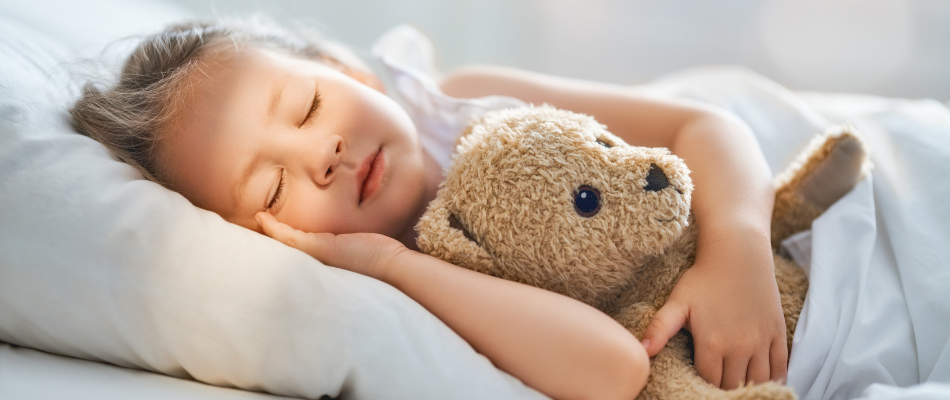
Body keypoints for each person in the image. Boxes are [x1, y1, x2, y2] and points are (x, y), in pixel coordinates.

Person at [71, 19, 786, 400]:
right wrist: (390, 264)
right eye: (274, 189)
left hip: (795, 254)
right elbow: (613, 371)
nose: (322, 154)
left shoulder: (467, 99)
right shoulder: (401, 288)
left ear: (348, 72)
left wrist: (738, 252)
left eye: (308, 105)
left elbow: (706, 128)